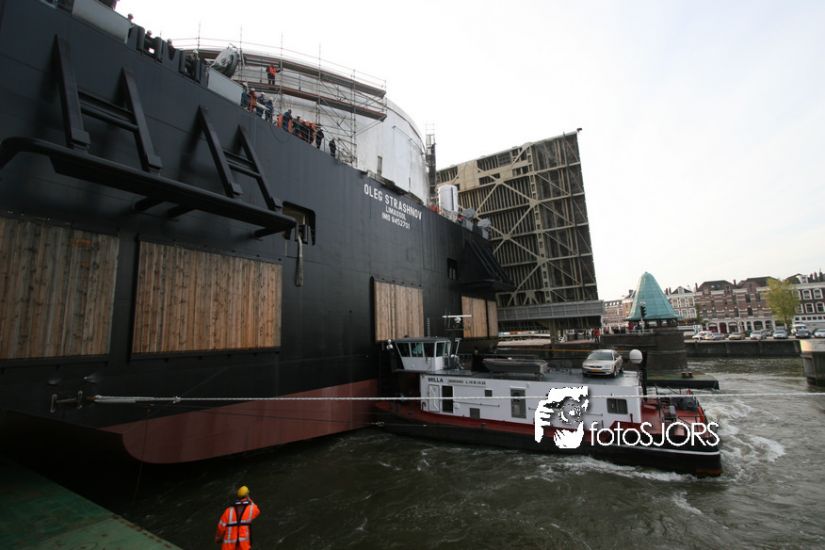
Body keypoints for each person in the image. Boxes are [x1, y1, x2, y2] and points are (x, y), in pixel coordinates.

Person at [215, 486, 260, 550]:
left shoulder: (228, 510)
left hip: (228, 547)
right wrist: (249, 499)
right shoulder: (251, 509)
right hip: (243, 546)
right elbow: (257, 511)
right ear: (247, 496)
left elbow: (220, 527)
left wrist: (218, 537)